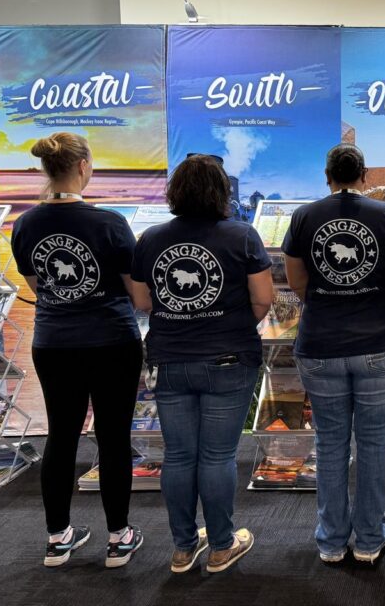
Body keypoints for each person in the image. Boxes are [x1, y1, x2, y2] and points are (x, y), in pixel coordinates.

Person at [129, 155, 273, 574]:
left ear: (175, 191)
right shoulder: (242, 236)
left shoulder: (151, 239)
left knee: (178, 456)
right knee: (217, 456)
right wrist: (230, 324)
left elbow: (141, 301)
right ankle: (222, 546)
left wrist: (182, 317)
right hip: (230, 359)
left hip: (170, 361)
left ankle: (182, 547)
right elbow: (263, 299)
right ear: (221, 192)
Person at [10, 132, 144, 568]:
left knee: (61, 436)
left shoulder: (26, 224)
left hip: (54, 344)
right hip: (113, 342)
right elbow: (136, 293)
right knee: (113, 437)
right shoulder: (110, 223)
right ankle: (119, 538)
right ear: (84, 166)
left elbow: (40, 287)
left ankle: (57, 539)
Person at [280, 144, 385, 565]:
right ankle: (370, 538)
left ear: (327, 177)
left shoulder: (304, 217)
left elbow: (297, 283)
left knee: (330, 443)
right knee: (373, 443)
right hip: (380, 343)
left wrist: (328, 301)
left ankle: (332, 541)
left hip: (321, 345)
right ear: (365, 175)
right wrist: (372, 302)